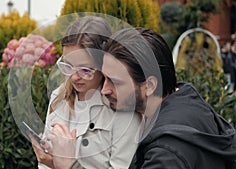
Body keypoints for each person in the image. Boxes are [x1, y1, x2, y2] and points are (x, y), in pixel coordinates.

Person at [48, 27, 236, 169]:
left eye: (115, 82)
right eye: (104, 78)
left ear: (150, 86)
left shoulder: (167, 153)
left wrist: (69, 165)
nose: (104, 90)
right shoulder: (186, 98)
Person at [31, 16, 143, 169]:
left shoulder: (122, 109)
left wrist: (60, 164)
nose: (74, 76)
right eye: (68, 66)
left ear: (103, 64)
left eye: (85, 69)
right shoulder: (58, 97)